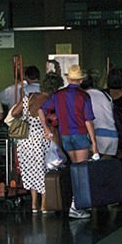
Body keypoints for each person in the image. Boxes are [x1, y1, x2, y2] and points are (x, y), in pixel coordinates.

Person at [40, 65, 98, 220]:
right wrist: (94, 143)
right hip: (79, 135)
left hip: (65, 136)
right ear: (81, 80)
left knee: (75, 170)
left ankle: (76, 202)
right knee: (82, 171)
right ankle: (76, 205)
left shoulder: (58, 95)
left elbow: (42, 110)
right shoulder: (84, 96)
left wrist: (46, 129)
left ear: (68, 79)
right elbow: (88, 121)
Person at [11, 73, 62, 213]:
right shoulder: (51, 101)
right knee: (44, 171)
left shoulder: (30, 96)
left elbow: (15, 112)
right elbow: (53, 121)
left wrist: (26, 117)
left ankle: (34, 204)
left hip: (25, 140)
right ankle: (44, 205)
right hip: (42, 138)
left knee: (32, 171)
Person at [81, 70, 117, 157]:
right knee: (106, 167)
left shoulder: (83, 96)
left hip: (97, 135)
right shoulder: (105, 95)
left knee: (92, 167)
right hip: (112, 135)